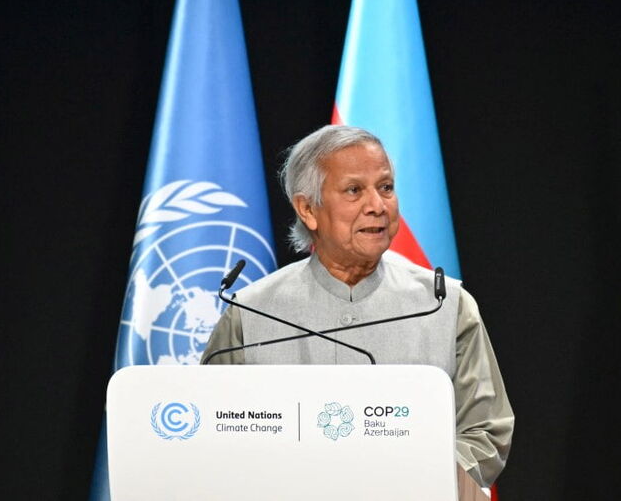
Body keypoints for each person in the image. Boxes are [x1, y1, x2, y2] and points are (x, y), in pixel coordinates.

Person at [202, 125, 514, 490]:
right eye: (354, 190)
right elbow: (213, 432)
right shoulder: (251, 312)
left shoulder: (445, 304)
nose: (377, 206)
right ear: (308, 209)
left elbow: (486, 429)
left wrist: (423, 483)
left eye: (386, 188)